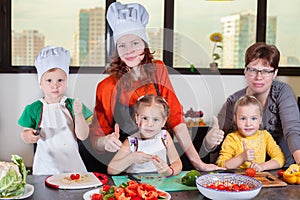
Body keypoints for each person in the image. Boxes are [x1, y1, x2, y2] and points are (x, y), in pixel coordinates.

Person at [89, 2, 224, 172]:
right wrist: (105, 142)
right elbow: (96, 138)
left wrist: (198, 163)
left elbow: (176, 120)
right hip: (124, 169)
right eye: (122, 45)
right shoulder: (106, 86)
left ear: (144, 45)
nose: (129, 50)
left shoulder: (158, 70)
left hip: (160, 166)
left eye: (135, 43)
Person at [202, 42, 300, 167]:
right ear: (245, 71)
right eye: (253, 70)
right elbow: (216, 147)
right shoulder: (234, 101)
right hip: (243, 173)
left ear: (275, 73)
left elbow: (292, 130)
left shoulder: (282, 92)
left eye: (265, 71)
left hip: (282, 168)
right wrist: (209, 142)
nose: (259, 77)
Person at [18, 46, 93, 175]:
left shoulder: (73, 105)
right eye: (49, 80)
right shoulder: (34, 108)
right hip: (45, 166)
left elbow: (83, 135)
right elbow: (24, 132)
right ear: (40, 83)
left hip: (72, 165)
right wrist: (28, 136)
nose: (55, 85)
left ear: (67, 82)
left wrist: (79, 115)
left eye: (60, 80)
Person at [107, 94, 182, 175]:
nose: (149, 124)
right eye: (145, 118)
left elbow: (177, 163)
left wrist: (169, 171)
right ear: (137, 118)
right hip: (137, 185)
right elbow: (111, 170)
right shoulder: (131, 142)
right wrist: (131, 158)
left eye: (155, 119)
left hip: (161, 184)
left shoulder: (164, 136)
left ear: (163, 121)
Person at [216, 95, 285, 171]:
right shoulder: (232, 138)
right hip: (237, 179)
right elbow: (221, 164)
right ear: (235, 119)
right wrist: (242, 157)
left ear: (260, 119)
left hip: (259, 178)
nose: (248, 124)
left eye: (253, 118)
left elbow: (280, 159)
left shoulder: (265, 136)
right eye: (243, 118)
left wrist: (262, 166)